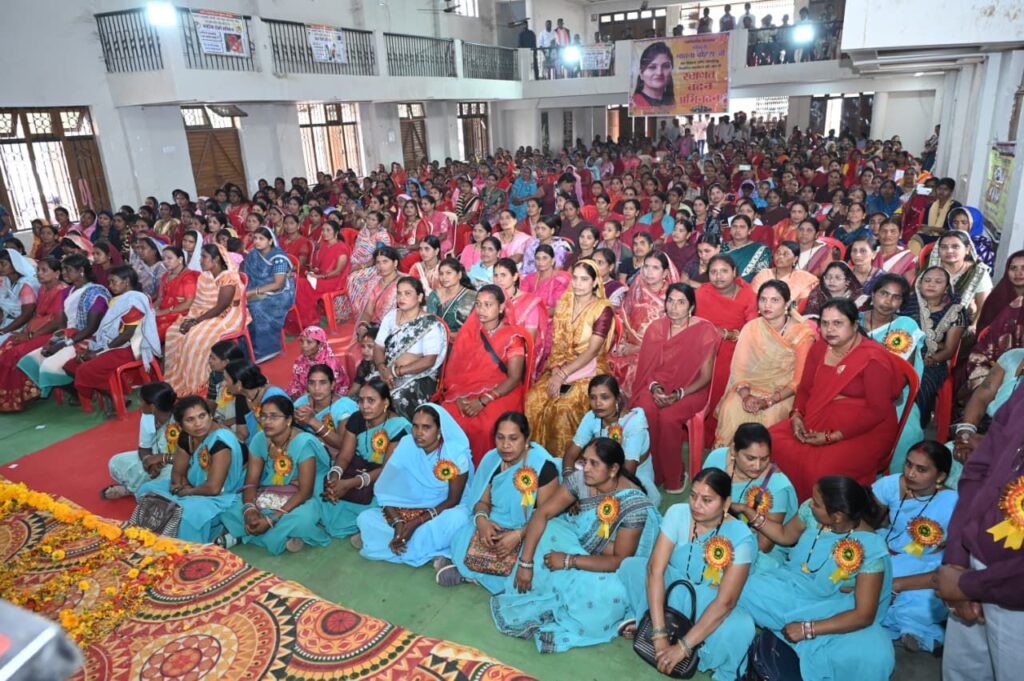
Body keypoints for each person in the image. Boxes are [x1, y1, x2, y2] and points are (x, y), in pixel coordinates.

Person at [490, 437, 660, 653]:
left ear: (613, 469)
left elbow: (620, 561)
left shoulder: (633, 505)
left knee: (611, 593)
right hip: (582, 543)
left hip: (612, 567)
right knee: (547, 529)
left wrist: (569, 561)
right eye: (584, 461)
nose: (586, 468)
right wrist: (526, 563)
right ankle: (555, 592)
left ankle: (590, 608)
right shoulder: (581, 479)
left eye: (594, 463)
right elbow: (543, 513)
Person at [736, 476, 895, 681]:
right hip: (795, 588)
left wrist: (807, 629)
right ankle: (791, 631)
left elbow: (863, 615)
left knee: (876, 656)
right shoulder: (810, 512)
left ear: (837, 516)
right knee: (745, 587)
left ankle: (798, 634)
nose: (811, 504)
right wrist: (750, 513)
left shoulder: (870, 549)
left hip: (838, 608)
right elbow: (784, 535)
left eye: (817, 504)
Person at [617, 468, 755, 679]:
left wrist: (683, 647)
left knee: (741, 626)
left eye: (706, 500)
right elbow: (655, 570)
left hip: (710, 601)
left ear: (726, 503)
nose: (696, 505)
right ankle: (656, 623)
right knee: (632, 567)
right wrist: (659, 635)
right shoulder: (678, 513)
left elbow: (726, 602)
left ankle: (687, 640)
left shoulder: (741, 537)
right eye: (693, 495)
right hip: (675, 586)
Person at [770, 299, 903, 500]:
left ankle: (818, 511)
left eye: (837, 323)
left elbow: (877, 411)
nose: (830, 329)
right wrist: (796, 415)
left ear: (855, 325)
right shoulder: (819, 348)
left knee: (818, 470)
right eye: (825, 323)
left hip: (864, 431)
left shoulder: (872, 358)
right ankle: (780, 503)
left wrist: (832, 437)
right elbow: (805, 389)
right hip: (816, 419)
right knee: (770, 440)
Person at [940, 387, 1024, 681]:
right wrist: (957, 558)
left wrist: (969, 585)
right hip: (973, 566)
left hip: (1013, 595)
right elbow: (980, 469)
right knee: (962, 672)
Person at [443, 410, 560, 589]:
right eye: (500, 438)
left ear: (526, 439)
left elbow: (546, 516)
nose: (505, 445)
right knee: (461, 538)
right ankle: (479, 573)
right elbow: (482, 502)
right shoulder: (491, 460)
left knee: (537, 559)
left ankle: (476, 575)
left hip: (532, 529)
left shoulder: (544, 467)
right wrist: (482, 521)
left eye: (513, 438)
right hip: (497, 524)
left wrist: (518, 535)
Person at [354, 403, 471, 566]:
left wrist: (415, 524)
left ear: (439, 430)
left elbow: (453, 500)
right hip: (409, 507)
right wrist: (398, 523)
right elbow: (386, 489)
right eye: (415, 426)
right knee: (365, 518)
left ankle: (390, 543)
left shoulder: (455, 454)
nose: (418, 433)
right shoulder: (406, 444)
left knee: (457, 519)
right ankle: (426, 549)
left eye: (426, 427)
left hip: (442, 510)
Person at [631, 283, 720, 493]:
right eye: (670, 301)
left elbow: (705, 377)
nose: (674, 307)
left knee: (668, 418)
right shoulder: (656, 328)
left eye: (681, 302)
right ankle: (654, 472)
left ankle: (674, 475)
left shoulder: (705, 331)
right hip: (657, 385)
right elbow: (648, 369)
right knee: (646, 411)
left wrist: (679, 393)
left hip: (691, 389)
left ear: (691, 307)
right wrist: (655, 389)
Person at [871, 441, 957, 652]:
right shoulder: (891, 485)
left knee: (927, 599)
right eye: (908, 464)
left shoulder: (952, 502)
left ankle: (914, 629)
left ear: (940, 476)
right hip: (891, 551)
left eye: (921, 469)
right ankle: (912, 628)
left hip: (929, 562)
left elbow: (954, 558)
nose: (910, 473)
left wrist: (898, 584)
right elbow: (867, 524)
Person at [219, 395, 331, 554]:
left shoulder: (303, 442)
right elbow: (251, 481)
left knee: (302, 520)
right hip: (269, 491)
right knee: (229, 509)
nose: (267, 421)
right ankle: (281, 535)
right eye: (263, 416)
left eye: (273, 417)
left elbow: (305, 492)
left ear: (288, 420)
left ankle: (248, 534)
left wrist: (273, 518)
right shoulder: (259, 439)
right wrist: (249, 509)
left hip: (301, 497)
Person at [524, 261, 614, 455]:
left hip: (589, 369)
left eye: (584, 279)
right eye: (575, 278)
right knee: (533, 399)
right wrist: (556, 370)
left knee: (563, 408)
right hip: (560, 365)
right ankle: (535, 458)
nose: (578, 284)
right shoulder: (565, 304)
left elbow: (592, 351)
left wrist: (562, 374)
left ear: (595, 282)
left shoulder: (602, 309)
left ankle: (564, 462)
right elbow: (557, 344)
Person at [715, 280, 816, 445]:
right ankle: (729, 458)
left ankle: (761, 459)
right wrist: (746, 396)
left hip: (783, 394)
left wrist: (768, 401)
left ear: (787, 304)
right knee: (732, 408)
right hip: (750, 389)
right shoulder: (751, 328)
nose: (767, 305)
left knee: (769, 417)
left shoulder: (801, 334)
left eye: (774, 300)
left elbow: (798, 381)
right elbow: (739, 370)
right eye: (763, 299)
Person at [438, 285, 529, 464]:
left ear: (501, 307)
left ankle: (485, 471)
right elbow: (457, 371)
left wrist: (483, 400)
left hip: (502, 391)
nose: (481, 310)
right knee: (448, 417)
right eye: (478, 304)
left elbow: (514, 377)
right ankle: (451, 470)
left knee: (486, 427)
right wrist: (458, 396)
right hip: (466, 390)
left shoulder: (513, 337)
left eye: (488, 305)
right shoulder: (469, 333)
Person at [136, 395, 245, 543]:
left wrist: (188, 492)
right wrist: (179, 486)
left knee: (188, 513)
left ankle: (203, 538)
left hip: (222, 495)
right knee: (146, 491)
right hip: (194, 488)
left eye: (202, 416)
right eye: (190, 420)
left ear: (210, 415)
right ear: (180, 424)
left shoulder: (220, 441)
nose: (198, 424)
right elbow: (177, 474)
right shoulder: (187, 437)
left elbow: (214, 488)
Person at [318, 378, 409, 538]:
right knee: (324, 489)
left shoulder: (398, 428)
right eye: (361, 400)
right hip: (359, 470)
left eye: (371, 401)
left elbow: (386, 470)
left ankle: (368, 528)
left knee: (379, 502)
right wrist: (335, 477)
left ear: (385, 402)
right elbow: (345, 455)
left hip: (385, 478)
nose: (364, 406)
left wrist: (349, 484)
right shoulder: (357, 418)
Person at [64, 266, 161, 415]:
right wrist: (93, 348)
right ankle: (110, 392)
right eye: (109, 282)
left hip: (130, 347)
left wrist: (99, 352)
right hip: (114, 344)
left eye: (113, 281)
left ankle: (116, 399)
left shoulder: (134, 300)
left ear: (126, 281)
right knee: (71, 365)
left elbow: (126, 335)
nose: (110, 286)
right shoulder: (118, 300)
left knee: (85, 369)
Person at [704, 423, 799, 569]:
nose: (757, 466)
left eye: (765, 459)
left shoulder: (776, 485)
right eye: (750, 458)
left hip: (756, 552)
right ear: (734, 450)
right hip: (713, 531)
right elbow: (701, 504)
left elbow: (764, 546)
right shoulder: (716, 459)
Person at [18, 255, 110, 398]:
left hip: (90, 338)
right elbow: (63, 324)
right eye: (63, 269)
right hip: (70, 336)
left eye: (68, 270)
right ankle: (76, 391)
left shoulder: (95, 293)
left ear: (81, 270)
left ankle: (83, 393)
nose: (64, 273)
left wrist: (64, 344)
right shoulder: (67, 292)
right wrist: (54, 342)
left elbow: (91, 328)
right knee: (29, 361)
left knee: (48, 367)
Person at [859, 274, 926, 472]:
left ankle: (893, 481)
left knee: (908, 434)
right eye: (884, 294)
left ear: (902, 303)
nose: (888, 301)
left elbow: (905, 374)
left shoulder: (906, 326)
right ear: (873, 294)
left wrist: (881, 396)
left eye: (896, 297)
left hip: (893, 395)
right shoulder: (853, 320)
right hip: (851, 389)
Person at [563, 375, 660, 507]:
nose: (598, 403)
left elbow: (627, 472)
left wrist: (589, 493)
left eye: (605, 397)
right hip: (599, 471)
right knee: (559, 467)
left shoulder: (634, 425)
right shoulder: (592, 417)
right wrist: (572, 490)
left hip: (630, 479)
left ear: (617, 399)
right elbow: (571, 454)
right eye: (593, 397)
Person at [164, 245, 244, 396]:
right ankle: (177, 377)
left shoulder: (228, 278)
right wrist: (192, 318)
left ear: (216, 259)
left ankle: (196, 380)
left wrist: (195, 322)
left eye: (204, 257)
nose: (200, 260)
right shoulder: (205, 276)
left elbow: (221, 307)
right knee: (173, 332)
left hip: (226, 317)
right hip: (205, 313)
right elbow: (201, 303)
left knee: (194, 337)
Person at [695, 255, 758, 439]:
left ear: (734, 272)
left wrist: (727, 334)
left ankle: (717, 433)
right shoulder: (702, 293)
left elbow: (752, 330)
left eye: (724, 271)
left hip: (737, 348)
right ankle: (698, 431)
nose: (718, 276)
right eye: (713, 272)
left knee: (722, 371)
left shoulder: (748, 295)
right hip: (703, 347)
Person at [371, 276, 447, 419]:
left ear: (419, 297)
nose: (402, 297)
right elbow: (378, 346)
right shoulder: (391, 316)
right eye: (399, 293)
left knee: (398, 400)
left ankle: (400, 431)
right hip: (387, 372)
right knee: (369, 393)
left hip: (419, 376)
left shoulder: (429, 324)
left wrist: (396, 372)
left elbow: (429, 360)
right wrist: (382, 368)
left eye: (407, 293)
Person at [0, 257, 67, 412]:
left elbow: (57, 322)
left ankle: (21, 397)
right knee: (7, 345)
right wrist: (25, 331)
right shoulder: (43, 289)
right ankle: (6, 398)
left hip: (53, 333)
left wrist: (30, 336)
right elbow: (36, 315)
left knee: (16, 352)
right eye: (38, 270)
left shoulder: (61, 290)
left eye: (44, 270)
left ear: (57, 273)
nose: (39, 274)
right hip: (36, 330)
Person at [609, 252, 675, 397]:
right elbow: (622, 319)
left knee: (634, 368)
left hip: (656, 353)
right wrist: (620, 344)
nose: (649, 272)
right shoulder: (637, 289)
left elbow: (672, 337)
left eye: (655, 268)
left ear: (665, 273)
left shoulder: (672, 299)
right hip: (627, 346)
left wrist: (637, 348)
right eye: (646, 266)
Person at [102, 381, 178, 500]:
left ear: (152, 407)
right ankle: (141, 489)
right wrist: (148, 462)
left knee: (168, 479)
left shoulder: (181, 420)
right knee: (116, 462)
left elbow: (189, 459)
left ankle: (133, 489)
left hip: (176, 465)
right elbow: (144, 448)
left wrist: (162, 458)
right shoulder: (147, 417)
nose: (139, 404)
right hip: (155, 458)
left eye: (141, 401)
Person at [912, 266, 967, 425]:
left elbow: (949, 349)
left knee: (921, 384)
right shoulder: (908, 305)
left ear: (946, 288)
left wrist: (928, 360)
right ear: (919, 283)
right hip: (902, 356)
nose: (931, 284)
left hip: (933, 363)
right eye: (927, 280)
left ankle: (916, 426)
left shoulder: (955, 311)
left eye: (938, 281)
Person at [241, 227, 294, 362]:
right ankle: (246, 346)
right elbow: (246, 275)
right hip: (256, 289)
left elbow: (278, 284)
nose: (257, 241)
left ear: (270, 241)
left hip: (280, 294)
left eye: (261, 239)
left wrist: (253, 292)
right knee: (240, 305)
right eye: (255, 238)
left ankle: (266, 349)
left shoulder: (278, 258)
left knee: (257, 307)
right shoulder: (253, 254)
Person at [288, 221, 349, 335]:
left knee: (301, 285)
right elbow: (320, 266)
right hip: (321, 277)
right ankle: (300, 320)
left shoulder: (341, 248)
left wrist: (319, 276)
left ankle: (310, 321)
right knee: (297, 281)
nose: (324, 233)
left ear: (336, 232)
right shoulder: (324, 245)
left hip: (334, 281)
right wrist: (313, 271)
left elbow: (337, 272)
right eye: (323, 230)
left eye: (328, 230)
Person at [494, 258, 549, 381]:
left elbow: (529, 340)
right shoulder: (491, 299)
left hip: (516, 357)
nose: (498, 279)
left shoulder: (529, 303)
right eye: (496, 275)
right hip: (492, 352)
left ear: (515, 277)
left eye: (503, 275)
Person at [926, 230, 992, 323]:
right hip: (926, 319)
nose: (949, 251)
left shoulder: (978, 273)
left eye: (955, 246)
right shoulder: (930, 269)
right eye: (944, 247)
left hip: (962, 324)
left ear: (967, 249)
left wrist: (974, 326)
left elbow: (984, 307)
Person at [223, 360, 288, 445]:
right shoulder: (241, 397)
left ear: (238, 384)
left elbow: (281, 433)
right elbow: (242, 434)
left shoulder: (273, 396)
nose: (224, 384)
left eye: (226, 380)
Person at [347, 211, 392, 316]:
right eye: (368, 218)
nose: (369, 221)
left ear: (379, 223)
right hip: (356, 261)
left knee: (353, 278)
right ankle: (344, 309)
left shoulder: (382, 236)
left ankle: (358, 311)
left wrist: (360, 266)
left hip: (376, 266)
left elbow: (378, 257)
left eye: (373, 220)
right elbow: (357, 249)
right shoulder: (364, 231)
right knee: (341, 273)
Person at [286, 325, 347, 399]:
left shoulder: (330, 364)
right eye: (302, 341)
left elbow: (329, 390)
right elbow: (295, 383)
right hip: (305, 394)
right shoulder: (300, 360)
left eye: (309, 342)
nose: (304, 345)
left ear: (320, 344)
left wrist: (302, 400)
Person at [750, 241, 819, 305]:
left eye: (786, 254)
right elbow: (753, 299)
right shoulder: (764, 274)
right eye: (778, 253)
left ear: (795, 259)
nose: (780, 256)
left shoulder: (806, 279)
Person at [154, 246, 199, 341]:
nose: (165, 261)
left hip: (180, 314)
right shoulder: (166, 275)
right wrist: (151, 310)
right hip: (163, 311)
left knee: (154, 332)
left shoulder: (188, 277)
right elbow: (160, 298)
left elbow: (187, 304)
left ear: (180, 259)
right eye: (163, 259)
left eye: (169, 258)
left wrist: (163, 312)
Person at [426, 257, 476, 334]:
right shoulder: (434, 295)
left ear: (459, 275)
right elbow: (430, 324)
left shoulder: (471, 296)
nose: (444, 277)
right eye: (441, 274)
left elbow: (473, 328)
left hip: (462, 338)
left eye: (448, 273)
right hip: (436, 337)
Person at [0, 249, 39, 347]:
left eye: (3, 264)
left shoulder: (26, 285)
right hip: (6, 321)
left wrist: (3, 331)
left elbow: (26, 315)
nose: (0, 267)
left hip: (21, 326)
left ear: (14, 264)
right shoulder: (5, 281)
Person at [520, 245, 571, 315]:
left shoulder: (560, 280)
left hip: (552, 318)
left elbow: (559, 307)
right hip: (529, 317)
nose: (540, 262)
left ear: (552, 261)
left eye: (545, 258)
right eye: (537, 258)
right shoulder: (529, 279)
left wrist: (538, 314)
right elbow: (521, 300)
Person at [722, 215, 771, 282]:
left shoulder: (760, 250)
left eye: (742, 227)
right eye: (734, 226)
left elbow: (761, 276)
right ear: (730, 230)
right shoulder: (722, 247)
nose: (737, 230)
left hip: (749, 286)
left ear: (749, 231)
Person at [631, 42, 675, 110]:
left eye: (665, 66)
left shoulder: (673, 104)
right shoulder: (634, 104)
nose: (659, 72)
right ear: (641, 73)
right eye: (652, 67)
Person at [874, 219, 916, 283]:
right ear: (878, 234)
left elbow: (908, 284)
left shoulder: (908, 257)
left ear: (900, 234)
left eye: (893, 231)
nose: (888, 235)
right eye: (884, 231)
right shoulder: (870, 255)